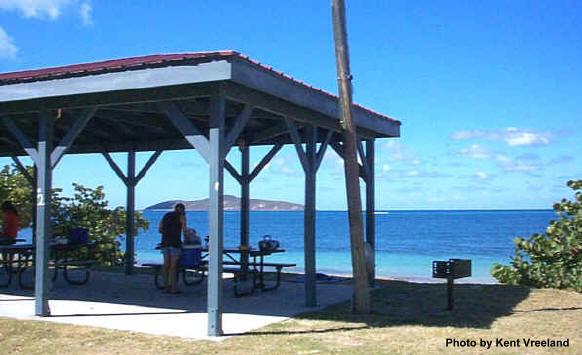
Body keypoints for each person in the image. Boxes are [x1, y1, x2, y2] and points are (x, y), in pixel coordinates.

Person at [158, 203, 187, 294]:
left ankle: (166, 285)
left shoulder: (166, 215)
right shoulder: (181, 216)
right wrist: (186, 240)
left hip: (165, 241)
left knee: (166, 265)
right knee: (173, 266)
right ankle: (174, 287)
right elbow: (184, 230)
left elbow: (160, 229)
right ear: (182, 209)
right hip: (175, 242)